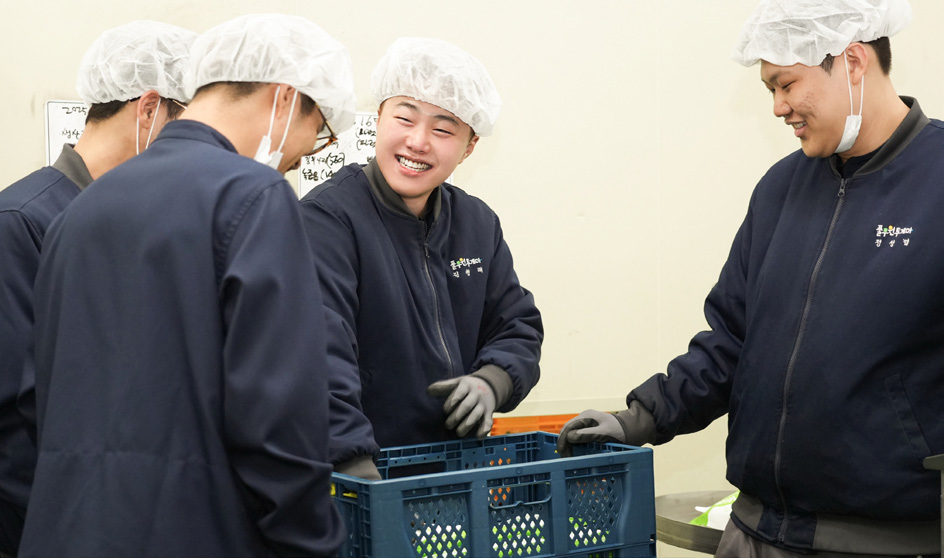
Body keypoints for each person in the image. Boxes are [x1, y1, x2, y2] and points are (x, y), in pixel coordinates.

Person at [558, 0, 943, 556]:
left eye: (787, 84)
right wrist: (637, 418)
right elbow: (731, 343)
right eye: (769, 90)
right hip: (754, 533)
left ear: (854, 61)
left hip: (886, 541)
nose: (779, 107)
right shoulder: (781, 189)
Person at [18, 13, 354, 557]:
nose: (299, 158)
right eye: (317, 136)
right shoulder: (253, 197)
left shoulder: (79, 209)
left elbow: (43, 401)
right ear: (287, 98)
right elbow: (278, 419)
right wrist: (314, 543)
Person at [300, 37, 543, 480]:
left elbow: (517, 326)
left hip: (456, 473)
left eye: (443, 129)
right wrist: (353, 459)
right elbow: (317, 350)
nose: (418, 141)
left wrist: (493, 380)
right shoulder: (329, 218)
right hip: (360, 471)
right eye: (404, 117)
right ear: (378, 120)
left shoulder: (476, 222)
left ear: (469, 147)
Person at [0, 20, 195, 557]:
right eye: (192, 125)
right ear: (150, 108)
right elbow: (17, 424)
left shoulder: (140, 218)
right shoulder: (22, 220)